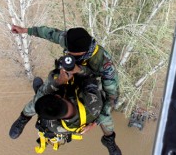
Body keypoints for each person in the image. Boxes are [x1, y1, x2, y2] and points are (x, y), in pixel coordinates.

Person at [11, 25, 122, 155]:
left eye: (73, 55)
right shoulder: (69, 40)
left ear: (84, 52)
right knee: (43, 98)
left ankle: (109, 140)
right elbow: (49, 33)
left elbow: (112, 96)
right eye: (68, 52)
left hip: (89, 81)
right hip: (67, 75)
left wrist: (96, 122)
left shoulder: (104, 64)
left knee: (106, 117)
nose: (69, 55)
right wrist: (26, 30)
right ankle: (24, 117)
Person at [9, 68, 102, 152]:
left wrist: (58, 81)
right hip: (80, 96)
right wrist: (74, 69)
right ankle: (33, 104)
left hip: (70, 121)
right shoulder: (93, 103)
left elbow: (53, 75)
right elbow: (90, 76)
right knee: (43, 98)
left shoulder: (54, 126)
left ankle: (24, 116)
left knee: (39, 98)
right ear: (58, 96)